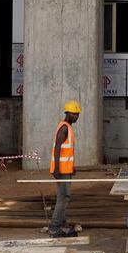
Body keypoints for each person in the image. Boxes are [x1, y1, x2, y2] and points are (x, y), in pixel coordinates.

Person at [49, 100, 81, 238]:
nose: (76, 116)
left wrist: (71, 167)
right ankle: (54, 226)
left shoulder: (68, 127)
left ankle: (62, 223)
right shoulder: (64, 128)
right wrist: (56, 168)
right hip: (61, 170)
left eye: (77, 114)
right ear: (67, 113)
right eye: (74, 114)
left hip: (65, 169)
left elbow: (66, 152)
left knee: (64, 196)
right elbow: (57, 149)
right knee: (63, 196)